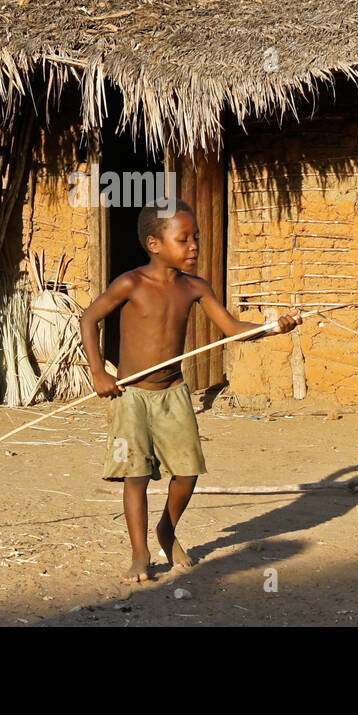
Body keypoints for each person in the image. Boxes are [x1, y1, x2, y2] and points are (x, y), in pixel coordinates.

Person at [81, 199, 299, 581]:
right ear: (154, 244)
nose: (194, 246)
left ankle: (167, 528)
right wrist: (99, 371)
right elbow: (90, 318)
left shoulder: (195, 288)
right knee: (136, 476)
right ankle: (139, 553)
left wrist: (270, 328)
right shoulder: (131, 283)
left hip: (173, 393)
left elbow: (231, 328)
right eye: (184, 239)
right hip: (130, 395)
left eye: (196, 237)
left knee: (188, 473)